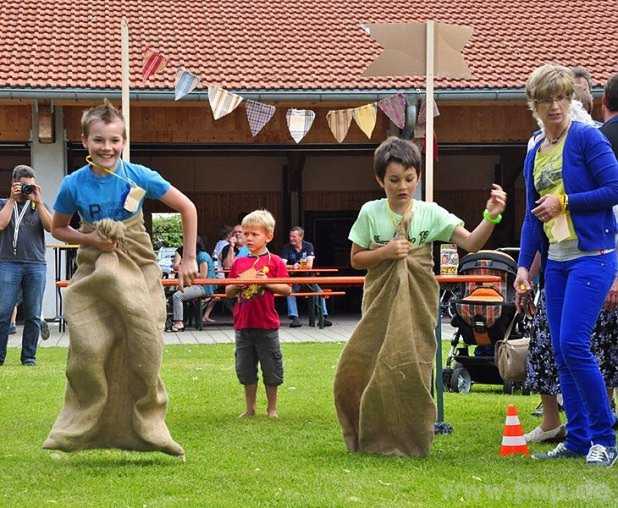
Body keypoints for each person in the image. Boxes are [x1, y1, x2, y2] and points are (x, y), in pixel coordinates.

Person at [334, 136, 506, 457]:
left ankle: (411, 437)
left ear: (418, 177)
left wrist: (491, 215)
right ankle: (369, 435)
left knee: (414, 363)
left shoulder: (430, 213)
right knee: (371, 365)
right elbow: (356, 258)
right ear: (380, 180)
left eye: (410, 179)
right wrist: (385, 252)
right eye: (394, 180)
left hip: (419, 301)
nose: (403, 186)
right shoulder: (371, 213)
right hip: (380, 301)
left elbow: (471, 243)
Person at [43, 100, 198, 458]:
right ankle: (78, 426)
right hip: (96, 268)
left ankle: (149, 425)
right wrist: (91, 239)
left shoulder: (138, 176)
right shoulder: (73, 184)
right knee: (90, 348)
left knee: (144, 344)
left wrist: (188, 257)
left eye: (114, 140)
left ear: (123, 141)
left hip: (136, 263)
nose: (107, 148)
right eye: (99, 140)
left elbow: (187, 207)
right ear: (84, 141)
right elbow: (59, 227)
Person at [515, 64, 618, 467]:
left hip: (593, 257)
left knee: (575, 344)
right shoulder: (535, 151)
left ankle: (604, 439)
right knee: (560, 350)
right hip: (556, 262)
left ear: (571, 100)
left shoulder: (588, 139)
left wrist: (567, 202)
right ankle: (576, 439)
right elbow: (530, 216)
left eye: (561, 98)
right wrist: (525, 267)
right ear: (534, 106)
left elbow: (614, 188)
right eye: (546, 100)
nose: (555, 106)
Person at [225, 210, 291, 418]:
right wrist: (238, 284)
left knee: (271, 368)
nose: (249, 238)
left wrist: (266, 282)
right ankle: (249, 408)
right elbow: (227, 291)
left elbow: (287, 289)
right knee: (245, 369)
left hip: (267, 325)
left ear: (268, 236)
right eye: (246, 234)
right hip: (243, 324)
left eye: (255, 234)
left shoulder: (276, 262)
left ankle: (272, 409)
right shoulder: (238, 263)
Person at [0, 165, 52, 366]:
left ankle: (29, 357)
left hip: (36, 265)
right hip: (7, 264)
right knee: (3, 312)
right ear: (14, 184)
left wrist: (38, 202)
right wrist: (12, 199)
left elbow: (51, 227)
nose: (26, 190)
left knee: (33, 313)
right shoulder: (4, 203)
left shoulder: (38, 205)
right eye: (23, 186)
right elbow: (1, 224)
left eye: (30, 186)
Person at [280, 226, 331, 328]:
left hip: (308, 279)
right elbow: (282, 265)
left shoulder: (308, 246)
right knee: (289, 292)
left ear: (301, 237)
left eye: (294, 236)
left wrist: (298, 265)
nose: (291, 239)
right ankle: (295, 318)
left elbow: (309, 265)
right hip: (294, 280)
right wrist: (292, 266)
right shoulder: (286, 248)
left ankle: (324, 317)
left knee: (320, 292)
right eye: (290, 236)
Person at [171, 236, 216, 332]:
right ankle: (180, 320)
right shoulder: (198, 255)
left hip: (204, 287)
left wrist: (186, 272)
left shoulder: (202, 256)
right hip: (199, 286)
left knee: (177, 296)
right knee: (176, 294)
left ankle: (179, 322)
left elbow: (203, 276)